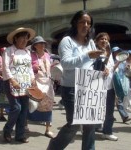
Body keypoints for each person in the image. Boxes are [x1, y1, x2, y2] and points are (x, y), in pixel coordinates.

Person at [46, 10, 107, 150]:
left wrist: (103, 68)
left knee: (90, 123)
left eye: (88, 23)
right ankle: (54, 147)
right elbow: (66, 63)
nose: (86, 25)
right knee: (74, 124)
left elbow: (94, 63)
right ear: (75, 23)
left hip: (90, 87)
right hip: (72, 88)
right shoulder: (66, 41)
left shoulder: (90, 42)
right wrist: (87, 56)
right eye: (82, 22)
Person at [2, 27, 36, 143]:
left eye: (26, 39)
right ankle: (7, 130)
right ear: (15, 38)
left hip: (25, 84)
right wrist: (12, 80)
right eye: (22, 38)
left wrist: (32, 79)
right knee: (16, 108)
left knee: (24, 109)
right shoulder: (9, 51)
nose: (25, 41)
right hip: (12, 83)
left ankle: (20, 135)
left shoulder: (27, 52)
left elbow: (30, 68)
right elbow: (5, 67)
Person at [28, 36, 55, 138]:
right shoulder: (31, 55)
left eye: (43, 43)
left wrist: (54, 66)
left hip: (47, 83)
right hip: (36, 82)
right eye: (40, 43)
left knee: (48, 105)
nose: (42, 45)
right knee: (33, 104)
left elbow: (48, 68)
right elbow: (28, 68)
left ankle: (48, 129)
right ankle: (26, 125)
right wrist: (34, 67)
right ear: (35, 46)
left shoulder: (47, 55)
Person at [94, 32, 118, 141]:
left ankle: (107, 132)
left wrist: (116, 65)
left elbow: (111, 67)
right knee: (95, 108)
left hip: (109, 85)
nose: (104, 41)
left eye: (106, 39)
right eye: (102, 39)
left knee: (109, 110)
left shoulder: (109, 53)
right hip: (97, 85)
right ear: (97, 41)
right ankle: (90, 127)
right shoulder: (93, 52)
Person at [112, 46, 131, 123]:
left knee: (120, 99)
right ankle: (124, 116)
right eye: (116, 52)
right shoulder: (111, 61)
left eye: (119, 51)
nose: (117, 53)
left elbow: (125, 72)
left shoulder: (123, 62)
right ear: (113, 53)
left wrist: (127, 69)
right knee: (117, 100)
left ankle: (123, 116)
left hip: (122, 83)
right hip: (113, 82)